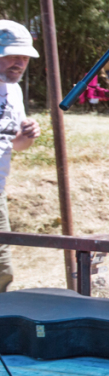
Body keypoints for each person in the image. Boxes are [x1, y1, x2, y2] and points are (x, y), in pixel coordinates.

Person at [0, 21, 40, 293]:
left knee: (3, 272)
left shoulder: (13, 91)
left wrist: (27, 137)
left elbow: (15, 146)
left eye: (24, 56)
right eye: (13, 54)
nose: (19, 62)